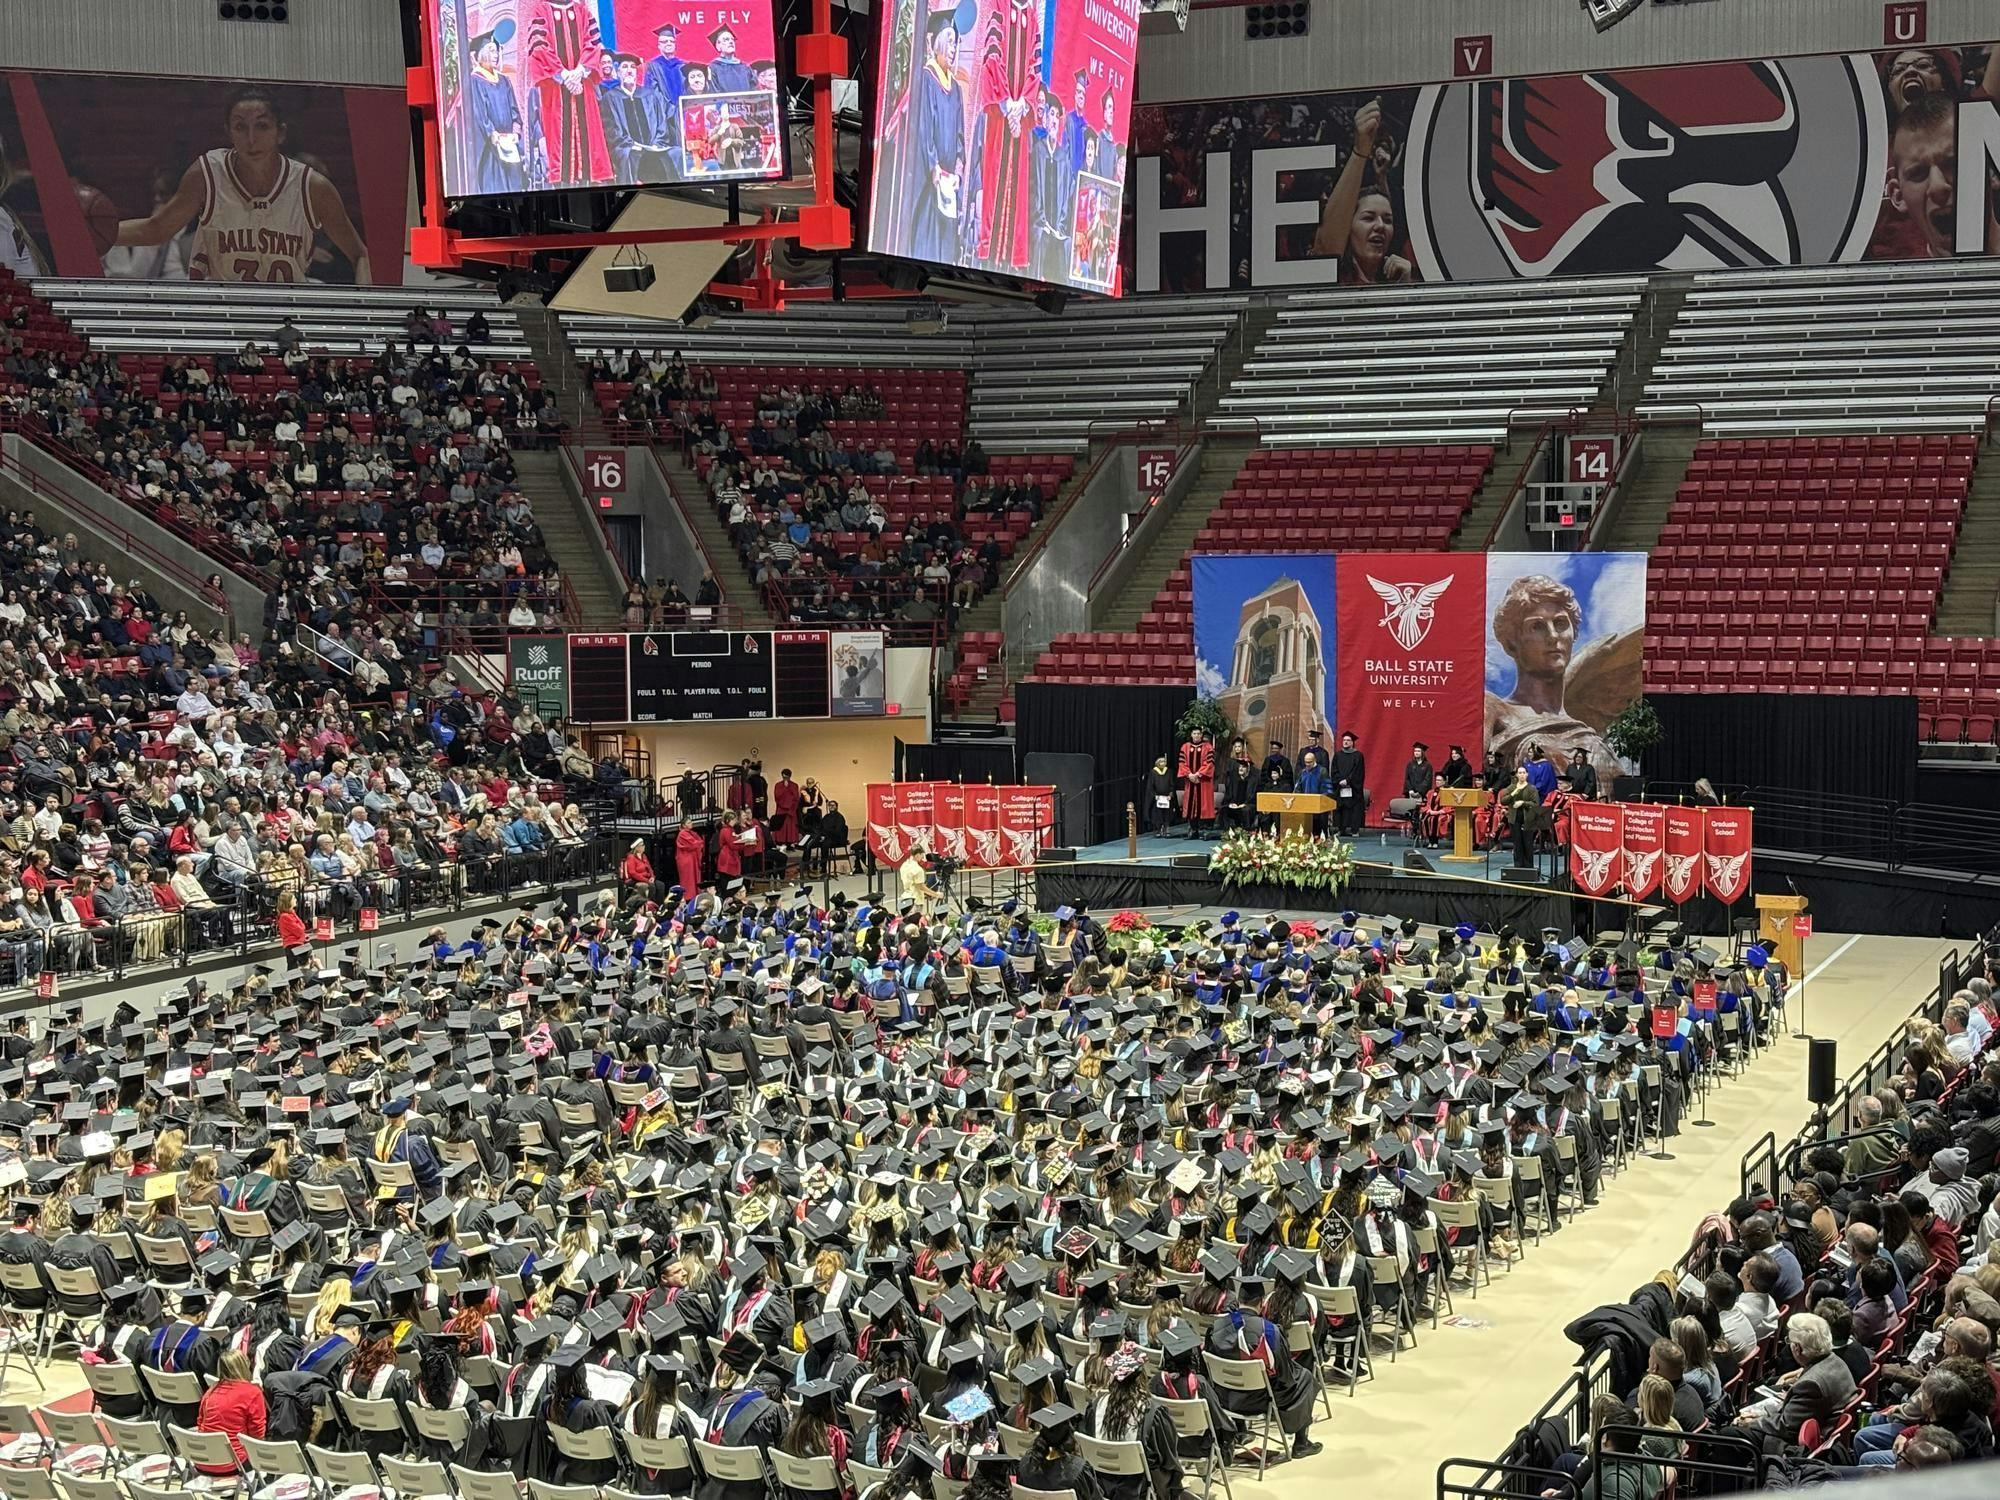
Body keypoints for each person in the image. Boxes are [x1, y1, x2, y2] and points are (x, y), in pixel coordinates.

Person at [113, 87, 372, 284]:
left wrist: (367, 317)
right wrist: (90, 232)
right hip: (221, 309)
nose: (251, 139)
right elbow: (156, 229)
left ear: (280, 132)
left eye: (261, 126)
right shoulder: (207, 173)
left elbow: (360, 255)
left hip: (286, 313)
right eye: (240, 127)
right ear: (228, 132)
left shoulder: (312, 186)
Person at [1484, 575, 1626, 789]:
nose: (1553, 636)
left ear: (1573, 633)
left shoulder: (1579, 726)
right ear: (1512, 643)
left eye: (1560, 623)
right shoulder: (1495, 708)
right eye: (1537, 626)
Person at [525, 0, 613, 187]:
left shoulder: (582, 9)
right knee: (558, 139)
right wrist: (564, 75)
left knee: (588, 133)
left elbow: (594, 43)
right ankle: (562, 184)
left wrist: (580, 72)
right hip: (555, 88)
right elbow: (539, 46)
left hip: (583, 85)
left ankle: (588, 180)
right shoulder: (541, 10)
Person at [906, 8, 969, 267]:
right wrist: (934, 169)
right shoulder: (926, 78)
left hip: (949, 185)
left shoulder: (955, 89)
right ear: (937, 43)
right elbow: (924, 129)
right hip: (931, 183)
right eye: (949, 42)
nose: (953, 49)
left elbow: (959, 137)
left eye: (955, 42)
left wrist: (957, 171)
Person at [467, 20, 530, 194]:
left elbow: (514, 109)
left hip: (510, 144)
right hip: (491, 148)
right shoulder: (476, 80)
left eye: (496, 51)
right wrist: (493, 135)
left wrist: (516, 133)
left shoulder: (504, 80)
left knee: (516, 185)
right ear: (481, 55)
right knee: (496, 186)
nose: (495, 55)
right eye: (491, 51)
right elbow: (480, 114)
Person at [195, 1348, 267, 1473]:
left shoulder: (210, 1391)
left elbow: (201, 1425)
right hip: (234, 1464)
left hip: (204, 1462)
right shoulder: (253, 1392)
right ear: (244, 1366)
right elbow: (257, 1434)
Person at [1176, 728, 1215, 841]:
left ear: (1201, 735)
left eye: (1198, 733)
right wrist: (1189, 775)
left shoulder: (1208, 747)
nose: (1197, 735)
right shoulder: (1185, 747)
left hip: (1203, 782)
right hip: (1190, 781)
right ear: (1191, 734)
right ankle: (1193, 831)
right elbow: (1182, 763)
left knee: (1204, 804)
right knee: (1191, 806)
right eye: (1194, 733)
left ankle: (1205, 832)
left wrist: (1198, 774)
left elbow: (1209, 763)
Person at [1330, 730, 1366, 836]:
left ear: (1352, 742)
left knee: (1354, 809)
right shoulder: (1338, 755)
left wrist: (1348, 781)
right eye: (1344, 740)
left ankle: (1354, 830)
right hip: (1340, 787)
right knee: (1341, 808)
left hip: (1353, 788)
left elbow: (1358, 772)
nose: (1345, 742)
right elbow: (1334, 770)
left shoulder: (1358, 755)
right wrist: (1340, 780)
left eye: (1348, 740)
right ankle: (1341, 829)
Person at [1400, 742, 1433, 845]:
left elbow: (1427, 781)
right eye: (1415, 751)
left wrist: (1419, 792)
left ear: (1422, 753)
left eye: (1418, 751)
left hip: (1421, 794)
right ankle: (1413, 831)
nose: (1416, 753)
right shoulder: (1410, 764)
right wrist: (1410, 790)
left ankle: (1420, 831)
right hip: (1411, 793)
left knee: (1419, 813)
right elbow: (1407, 778)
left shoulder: (1427, 766)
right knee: (1411, 813)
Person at [1144, 756, 1177, 836]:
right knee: (1157, 814)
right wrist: (1155, 796)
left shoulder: (1169, 772)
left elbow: (1172, 785)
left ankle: (1167, 828)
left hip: (1167, 798)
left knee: (1167, 813)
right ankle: (1158, 829)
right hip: (1157, 798)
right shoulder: (1153, 772)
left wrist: (1170, 794)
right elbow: (1150, 786)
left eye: (1164, 762)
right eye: (1161, 762)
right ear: (1157, 763)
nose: (1163, 763)